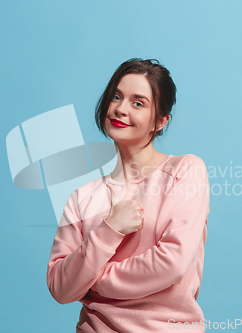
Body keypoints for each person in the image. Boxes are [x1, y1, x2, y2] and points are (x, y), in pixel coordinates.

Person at [47, 58, 210, 332]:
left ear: (160, 121)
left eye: (138, 103)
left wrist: (91, 279)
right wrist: (109, 230)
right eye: (116, 97)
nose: (120, 109)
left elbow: (172, 263)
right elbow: (61, 288)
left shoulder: (185, 170)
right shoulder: (82, 197)